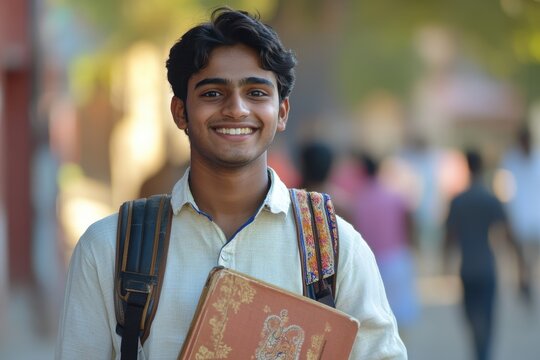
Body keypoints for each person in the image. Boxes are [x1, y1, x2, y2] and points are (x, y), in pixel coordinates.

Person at [56, 7, 406, 359]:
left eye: (256, 93)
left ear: (282, 112)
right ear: (180, 112)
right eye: (212, 94)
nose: (236, 109)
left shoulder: (335, 248)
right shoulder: (109, 250)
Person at [444, 149, 527, 360]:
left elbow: (449, 239)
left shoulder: (459, 201)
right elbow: (509, 235)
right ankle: (483, 354)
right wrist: (521, 266)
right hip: (487, 267)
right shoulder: (491, 199)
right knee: (488, 320)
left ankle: (478, 352)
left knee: (472, 318)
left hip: (467, 268)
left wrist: (444, 266)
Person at [350, 153, 420, 336]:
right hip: (397, 256)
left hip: (372, 259)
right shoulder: (393, 195)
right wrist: (411, 245)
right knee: (400, 315)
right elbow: (410, 220)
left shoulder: (360, 200)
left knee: (379, 314)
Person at [500, 124, 540, 304]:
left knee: (532, 257)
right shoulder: (511, 161)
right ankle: (524, 284)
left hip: (535, 218)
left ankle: (527, 283)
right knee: (521, 257)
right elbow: (505, 189)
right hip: (518, 219)